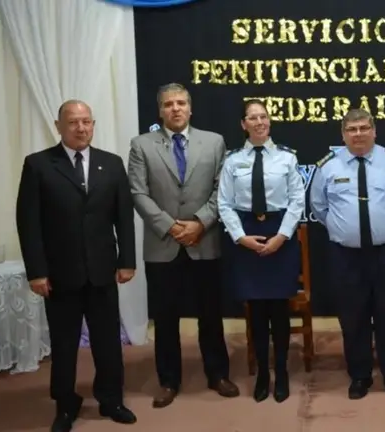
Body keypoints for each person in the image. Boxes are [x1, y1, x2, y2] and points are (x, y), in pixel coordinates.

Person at [15, 100, 137, 431]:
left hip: (102, 271)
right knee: (64, 344)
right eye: (73, 122)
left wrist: (127, 261)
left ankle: (111, 399)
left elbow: (123, 217)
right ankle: (65, 404)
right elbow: (28, 223)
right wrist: (37, 271)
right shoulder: (39, 165)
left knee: (108, 341)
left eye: (86, 121)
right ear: (59, 126)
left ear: (93, 124)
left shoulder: (111, 164)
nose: (81, 128)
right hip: (59, 274)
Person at [127, 83, 238, 408]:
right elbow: (138, 192)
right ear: (160, 111)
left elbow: (222, 189)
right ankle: (168, 381)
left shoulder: (214, 142)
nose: (175, 109)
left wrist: (200, 222)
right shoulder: (141, 145)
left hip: (204, 240)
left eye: (180, 103)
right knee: (165, 319)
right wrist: (171, 226)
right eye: (168, 104)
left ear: (190, 108)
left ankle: (218, 374)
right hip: (163, 244)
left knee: (210, 315)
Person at [310, 108, 385, 400]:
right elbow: (319, 207)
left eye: (363, 128)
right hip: (346, 256)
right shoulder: (328, 167)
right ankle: (359, 376)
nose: (358, 134)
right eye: (352, 129)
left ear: (374, 131)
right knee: (352, 317)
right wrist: (343, 228)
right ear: (343, 134)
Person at [217, 99, 305, 403]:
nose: (259, 122)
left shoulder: (286, 158)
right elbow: (224, 203)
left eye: (263, 116)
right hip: (246, 235)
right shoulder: (232, 161)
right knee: (256, 311)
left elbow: (297, 200)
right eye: (253, 118)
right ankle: (263, 375)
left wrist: (282, 236)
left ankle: (281, 371)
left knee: (279, 309)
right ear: (244, 124)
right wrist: (240, 237)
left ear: (270, 121)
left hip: (280, 234)